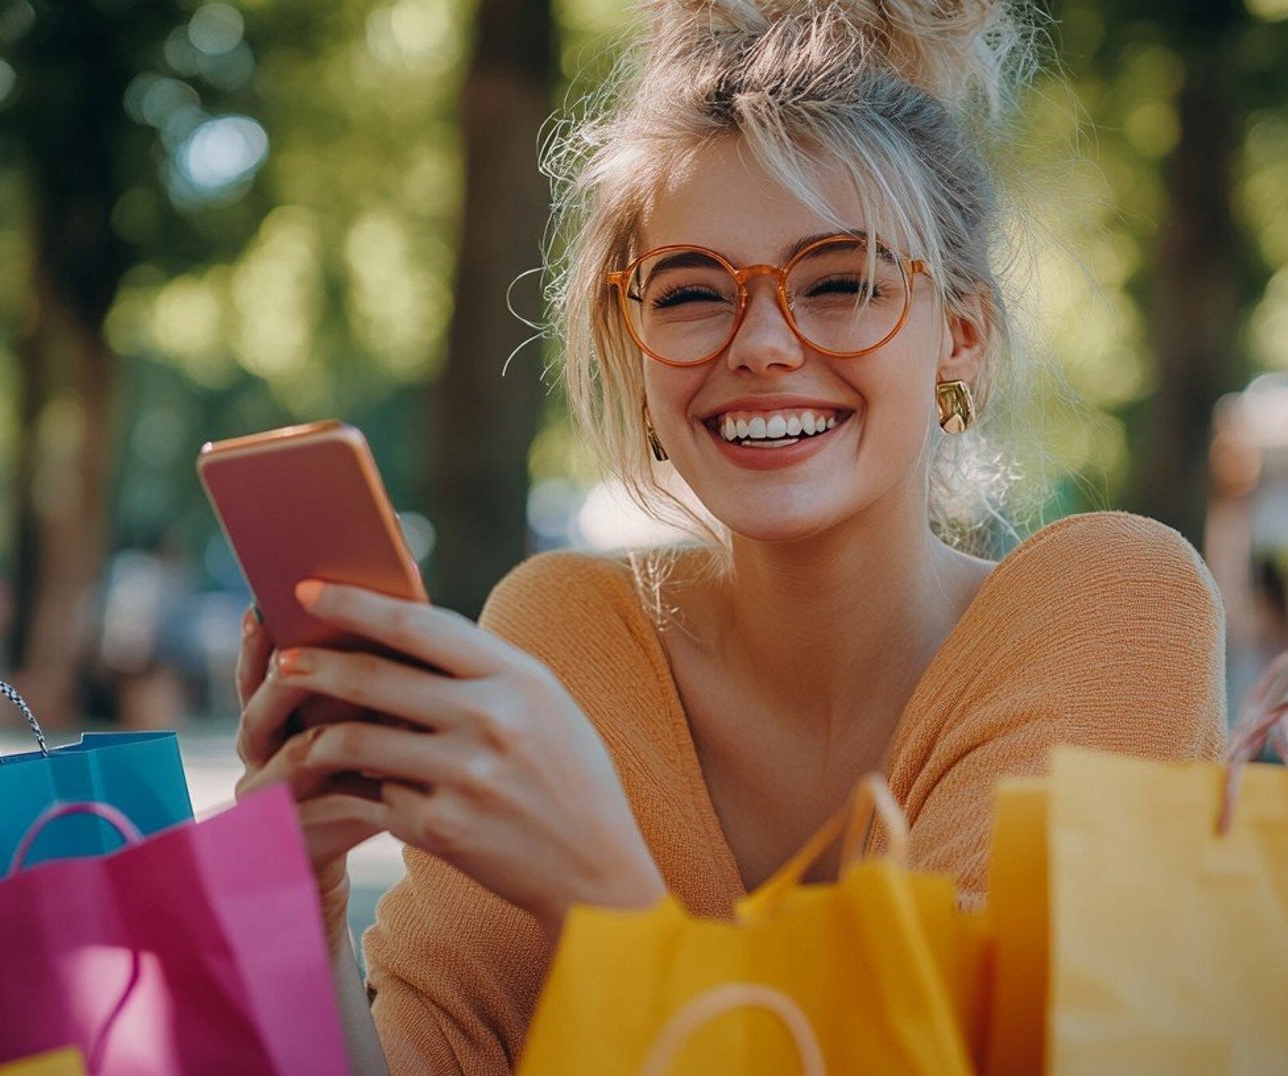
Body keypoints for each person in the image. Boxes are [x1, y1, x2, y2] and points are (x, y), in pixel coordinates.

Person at [234, 1, 1227, 1071]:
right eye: (693, 291)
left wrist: (595, 884)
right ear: (633, 342)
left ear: (964, 335)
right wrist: (304, 908)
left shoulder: (1115, 603)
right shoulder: (565, 632)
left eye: (842, 281)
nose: (759, 343)